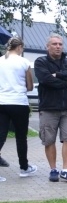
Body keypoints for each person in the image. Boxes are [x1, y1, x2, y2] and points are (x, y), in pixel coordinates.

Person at [34, 34, 67, 183]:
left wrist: (59, 75)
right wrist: (66, 83)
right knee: (49, 140)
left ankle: (66, 170)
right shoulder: (41, 62)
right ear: (47, 46)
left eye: (60, 44)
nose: (58, 46)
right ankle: (53, 170)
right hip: (48, 108)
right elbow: (46, 80)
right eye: (54, 44)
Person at [0, 37, 37, 181]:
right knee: (21, 137)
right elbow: (29, 86)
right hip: (19, 103)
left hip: (2, 102)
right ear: (20, 47)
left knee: (1, 134)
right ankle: (24, 168)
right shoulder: (24, 62)